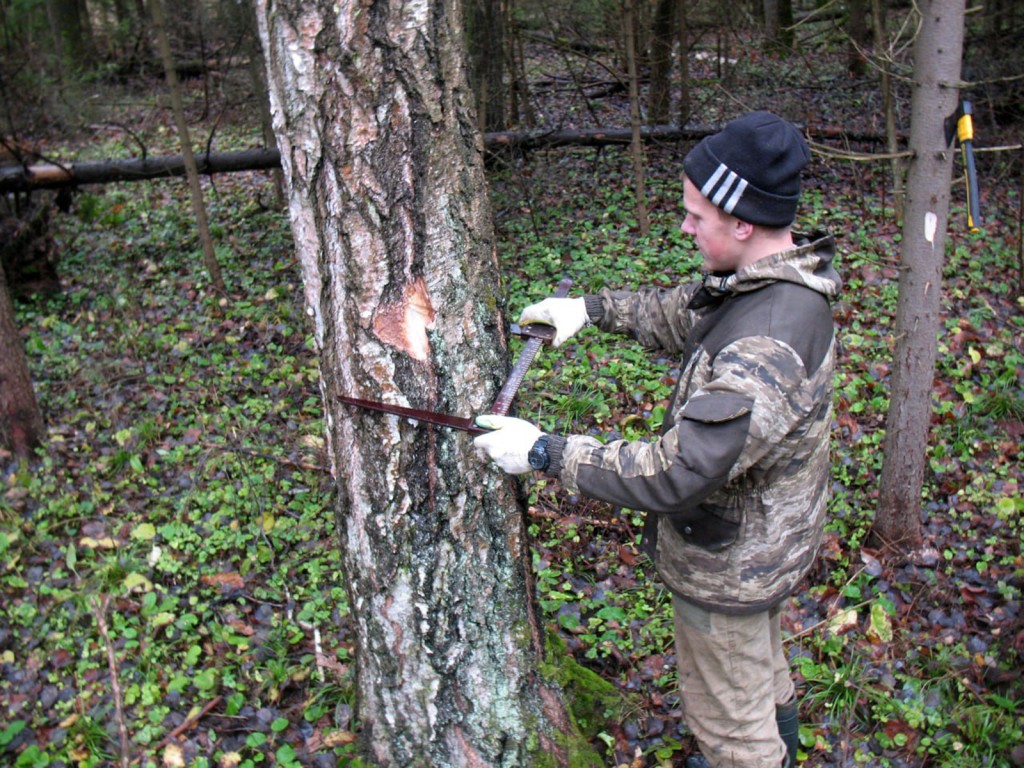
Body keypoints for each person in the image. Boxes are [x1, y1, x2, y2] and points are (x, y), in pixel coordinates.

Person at [474, 111, 841, 768]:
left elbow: (681, 471)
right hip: (763, 546)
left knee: (730, 726)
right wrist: (589, 311)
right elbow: (683, 313)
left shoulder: (765, 345)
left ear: (743, 222)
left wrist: (546, 453)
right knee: (759, 677)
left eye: (696, 216)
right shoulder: (766, 285)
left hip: (731, 568)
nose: (684, 227)